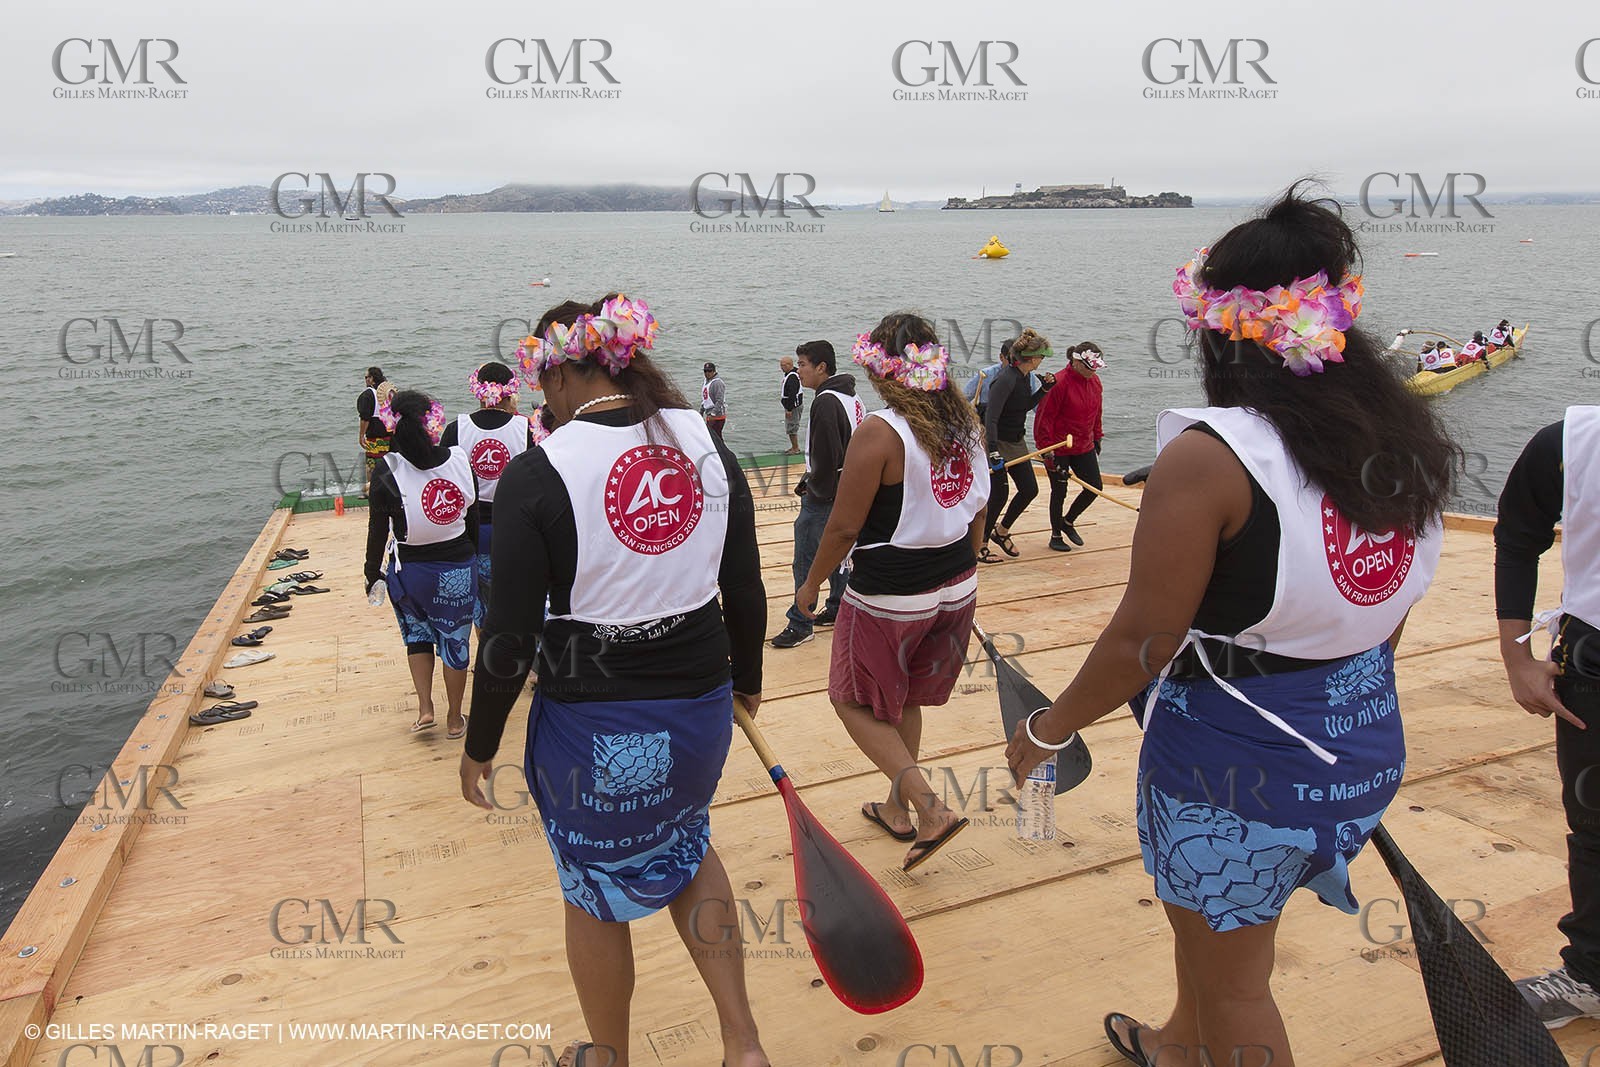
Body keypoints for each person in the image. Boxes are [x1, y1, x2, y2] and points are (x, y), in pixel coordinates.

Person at [1007, 186, 1456, 1066]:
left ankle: (1203, 1029)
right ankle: (1179, 1042)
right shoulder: (1405, 438)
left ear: (1219, 330)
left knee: (1240, 982)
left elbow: (1146, 636)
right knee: (1212, 930)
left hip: (1234, 773)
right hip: (1360, 746)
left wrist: (1047, 727)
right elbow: (1385, 607)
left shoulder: (1210, 458)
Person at [463, 295, 771, 1067]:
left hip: (596, 730)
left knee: (593, 890)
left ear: (566, 368)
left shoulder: (542, 472)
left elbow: (508, 636)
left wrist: (479, 743)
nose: (542, 398)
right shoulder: (704, 440)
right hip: (701, 707)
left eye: (544, 378)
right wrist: (749, 681)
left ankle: (608, 1056)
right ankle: (743, 1043)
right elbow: (744, 580)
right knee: (688, 845)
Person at [796, 312, 989, 872]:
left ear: (881, 370)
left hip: (890, 595)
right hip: (956, 585)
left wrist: (810, 584)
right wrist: (967, 565)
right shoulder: (965, 422)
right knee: (900, 699)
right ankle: (896, 808)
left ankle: (930, 810)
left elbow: (844, 526)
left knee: (850, 700)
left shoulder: (880, 432)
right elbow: (977, 504)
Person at [1496, 406, 1600, 1029]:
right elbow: (1517, 534)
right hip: (1591, 669)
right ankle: (1591, 974)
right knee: (1593, 829)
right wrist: (1518, 659)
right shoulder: (1573, 441)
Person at [364, 389, 480, 739]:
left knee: (418, 638)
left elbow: (377, 530)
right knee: (455, 642)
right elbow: (471, 519)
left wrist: (372, 573)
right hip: (457, 567)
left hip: (410, 572)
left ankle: (425, 707)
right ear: (432, 422)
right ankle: (455, 718)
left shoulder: (387, 470)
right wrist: (469, 558)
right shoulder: (460, 459)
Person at [770, 340, 865, 649]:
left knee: (806, 558)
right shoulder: (853, 396)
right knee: (842, 554)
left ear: (821, 367)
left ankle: (801, 622)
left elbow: (828, 455)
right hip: (850, 488)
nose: (799, 371)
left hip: (826, 494)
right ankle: (838, 606)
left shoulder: (824, 401)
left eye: (803, 365)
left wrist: (815, 488)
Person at [440, 361, 540, 632]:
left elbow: (444, 483)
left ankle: (487, 655)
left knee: (481, 602)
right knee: (522, 599)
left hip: (470, 530)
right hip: (516, 529)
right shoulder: (527, 428)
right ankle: (527, 663)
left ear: (478, 391)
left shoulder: (455, 429)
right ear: (510, 392)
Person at [981, 329, 1055, 561]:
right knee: (999, 494)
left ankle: (1001, 531)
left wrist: (1044, 390)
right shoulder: (1005, 379)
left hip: (1016, 440)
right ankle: (980, 544)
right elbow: (990, 418)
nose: (1042, 362)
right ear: (1032, 358)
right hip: (996, 441)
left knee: (1029, 489)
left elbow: (1021, 408)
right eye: (1041, 357)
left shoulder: (1024, 378)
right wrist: (992, 449)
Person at [1034, 342, 1107, 551]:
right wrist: (1047, 450)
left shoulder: (1095, 382)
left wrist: (1097, 437)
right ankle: (1055, 534)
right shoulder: (1059, 383)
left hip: (1084, 444)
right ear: (1075, 362)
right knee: (1059, 490)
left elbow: (1097, 412)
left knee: (1094, 487)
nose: (1092, 372)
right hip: (1059, 446)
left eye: (1095, 368)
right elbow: (1043, 419)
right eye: (1088, 367)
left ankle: (1068, 521)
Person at [963, 338, 1039, 414]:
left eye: (1018, 360)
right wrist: (972, 413)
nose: (1014, 363)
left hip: (1013, 420)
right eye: (1010, 359)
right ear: (1001, 357)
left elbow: (1037, 407)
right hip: (986, 418)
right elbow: (962, 399)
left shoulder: (1029, 376)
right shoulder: (985, 374)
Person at [357, 366, 396, 496]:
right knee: (389, 463)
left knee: (371, 465)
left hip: (374, 436)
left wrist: (361, 435)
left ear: (372, 379)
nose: (365, 380)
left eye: (366, 377)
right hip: (390, 435)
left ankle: (371, 491)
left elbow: (365, 418)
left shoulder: (368, 395)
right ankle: (390, 489)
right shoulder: (388, 392)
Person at [779, 355, 803, 455]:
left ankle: (795, 448)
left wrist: (789, 409)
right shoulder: (791, 373)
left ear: (789, 365)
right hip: (792, 405)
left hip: (793, 406)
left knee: (791, 427)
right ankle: (794, 446)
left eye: (783, 365)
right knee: (790, 426)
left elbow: (792, 393)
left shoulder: (792, 377)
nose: (781, 367)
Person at [701, 361, 728, 439]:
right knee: (713, 438)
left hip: (717, 416)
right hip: (709, 415)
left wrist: (713, 414)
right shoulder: (706, 382)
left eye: (709, 371)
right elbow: (705, 399)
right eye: (705, 371)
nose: (707, 373)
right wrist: (701, 412)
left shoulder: (717, 383)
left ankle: (721, 451)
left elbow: (720, 400)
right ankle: (719, 451)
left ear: (714, 371)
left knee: (715, 439)